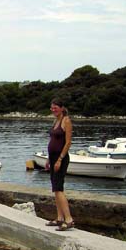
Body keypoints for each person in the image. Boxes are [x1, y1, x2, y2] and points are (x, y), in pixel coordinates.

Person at [45, 98, 74, 231]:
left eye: (55, 107)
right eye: (52, 108)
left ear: (62, 108)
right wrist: (48, 159)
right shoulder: (55, 120)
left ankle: (69, 219)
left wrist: (59, 159)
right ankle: (59, 218)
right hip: (52, 157)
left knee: (59, 188)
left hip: (60, 158)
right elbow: (52, 140)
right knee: (55, 189)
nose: (53, 110)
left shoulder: (66, 121)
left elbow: (68, 142)